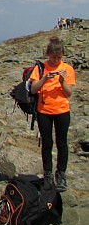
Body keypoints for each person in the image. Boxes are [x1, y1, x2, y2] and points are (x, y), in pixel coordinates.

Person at [30, 36, 76, 192]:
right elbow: (33, 89)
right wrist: (44, 78)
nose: (56, 60)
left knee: (62, 143)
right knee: (47, 143)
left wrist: (62, 81)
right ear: (48, 55)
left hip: (62, 111)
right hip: (44, 111)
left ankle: (61, 174)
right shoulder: (41, 68)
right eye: (53, 57)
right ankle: (48, 175)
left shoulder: (68, 69)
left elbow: (69, 93)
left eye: (59, 57)